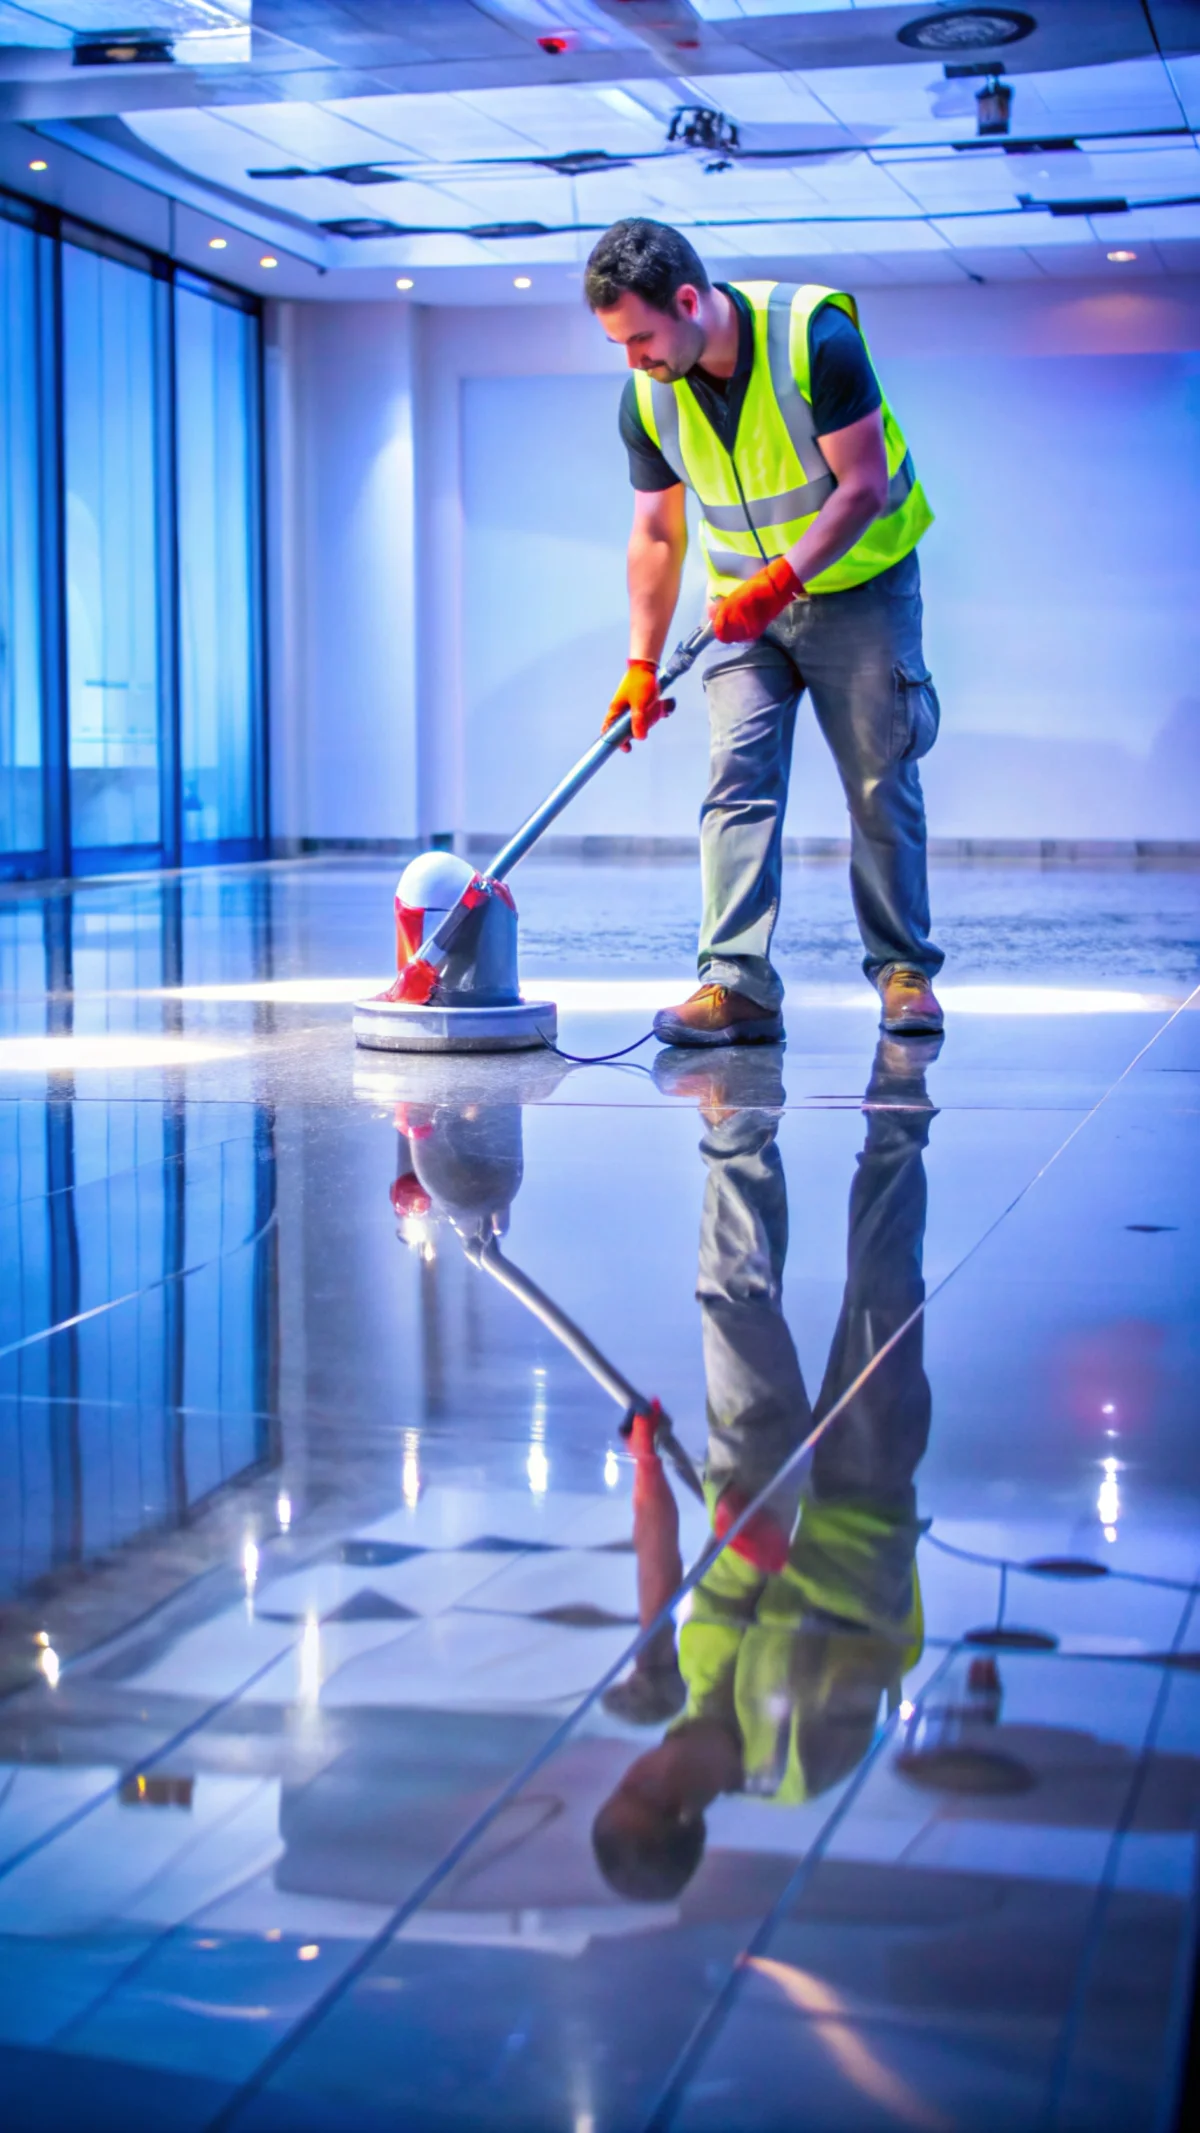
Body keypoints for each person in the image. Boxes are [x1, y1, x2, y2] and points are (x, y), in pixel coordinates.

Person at [584, 217, 945, 1046]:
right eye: (620, 343)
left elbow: (861, 487)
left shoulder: (815, 337)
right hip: (742, 613)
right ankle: (734, 983)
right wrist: (640, 663)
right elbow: (658, 533)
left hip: (861, 582)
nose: (633, 358)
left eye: (640, 337)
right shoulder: (646, 395)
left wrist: (781, 580)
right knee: (736, 783)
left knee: (877, 781)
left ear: (686, 300)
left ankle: (903, 971)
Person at [593, 1036, 938, 1902]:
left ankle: (738, 1125)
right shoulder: (803, 1762)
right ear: (680, 1815)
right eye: (641, 1790)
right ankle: (898, 1113)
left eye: (625, 1782)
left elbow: (657, 1584)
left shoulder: (678, 1694)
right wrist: (769, 1556)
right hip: (856, 1522)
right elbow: (872, 1635)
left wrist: (644, 1462)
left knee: (729, 1300)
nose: (639, 1770)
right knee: (882, 1296)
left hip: (750, 1495)